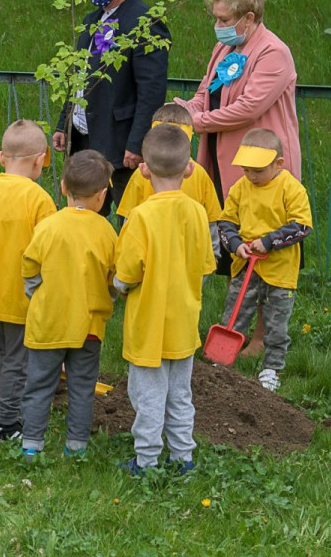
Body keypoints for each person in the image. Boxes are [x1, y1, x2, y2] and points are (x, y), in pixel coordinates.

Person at [112, 125, 216, 475]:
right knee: (179, 393)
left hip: (147, 324)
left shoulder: (141, 216)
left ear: (143, 169)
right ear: (189, 168)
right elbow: (205, 266)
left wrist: (118, 286)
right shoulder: (198, 213)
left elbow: (127, 275)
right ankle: (183, 456)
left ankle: (146, 459)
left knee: (148, 395)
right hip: (184, 323)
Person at [19, 150, 120, 462]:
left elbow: (29, 266)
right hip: (88, 327)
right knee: (82, 387)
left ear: (62, 187)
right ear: (103, 195)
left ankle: (31, 445)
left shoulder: (48, 226)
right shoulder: (106, 231)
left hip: (47, 323)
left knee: (38, 385)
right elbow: (113, 276)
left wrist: (36, 293)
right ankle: (76, 447)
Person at [53, 0, 169, 211]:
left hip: (120, 145)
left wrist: (137, 142)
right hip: (84, 139)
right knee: (83, 216)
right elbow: (79, 76)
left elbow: (151, 90)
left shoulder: (146, 24)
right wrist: (64, 123)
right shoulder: (91, 19)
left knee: (128, 217)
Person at [0, 120, 56, 442]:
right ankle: (5, 422)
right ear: (39, 160)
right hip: (22, 297)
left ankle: (0, 403)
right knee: (18, 359)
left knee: (5, 353)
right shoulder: (40, 199)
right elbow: (49, 254)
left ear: (1, 157)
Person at [174, 0, 300, 198]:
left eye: (224, 20)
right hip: (219, 158)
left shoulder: (274, 52)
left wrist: (196, 122)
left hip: (260, 167)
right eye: (216, 19)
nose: (217, 26)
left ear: (249, 18)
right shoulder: (223, 48)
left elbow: (248, 109)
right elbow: (206, 92)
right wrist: (183, 110)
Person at [215, 128, 313, 392]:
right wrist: (236, 245)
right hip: (245, 265)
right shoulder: (240, 187)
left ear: (278, 163)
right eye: (247, 170)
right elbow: (225, 221)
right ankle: (221, 363)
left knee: (276, 323)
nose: (251, 176)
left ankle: (272, 368)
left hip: (280, 272)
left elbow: (302, 226)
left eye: (258, 171)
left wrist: (268, 241)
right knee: (233, 315)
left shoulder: (291, 188)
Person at [117, 103, 222, 257]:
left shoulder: (142, 173)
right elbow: (211, 223)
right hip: (184, 263)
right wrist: (212, 257)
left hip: (152, 261)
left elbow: (128, 223)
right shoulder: (198, 173)